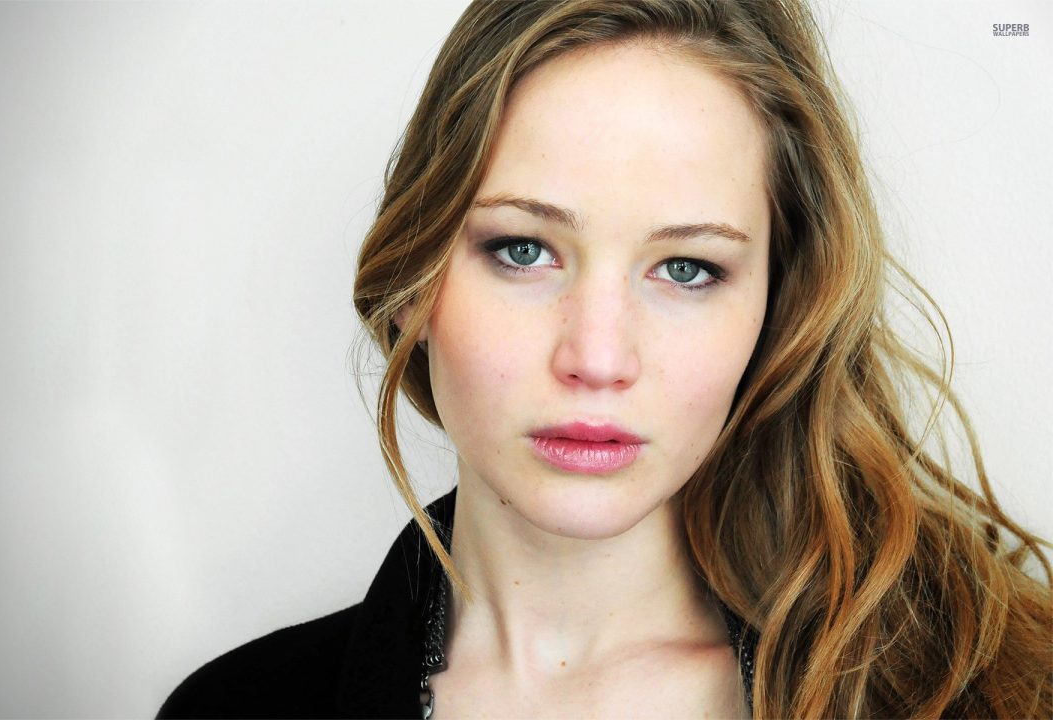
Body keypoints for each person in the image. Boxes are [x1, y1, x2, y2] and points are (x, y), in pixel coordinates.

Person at [159, 1, 1052, 717]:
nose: (597, 357)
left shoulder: (996, 691)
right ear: (414, 283)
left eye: (687, 269)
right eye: (523, 251)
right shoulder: (237, 707)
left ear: (777, 311)